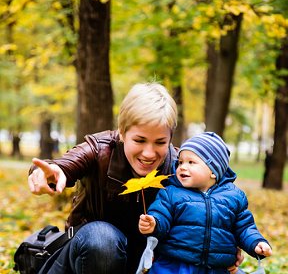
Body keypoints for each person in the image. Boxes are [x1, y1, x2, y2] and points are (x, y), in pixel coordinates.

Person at [28, 83, 243, 274]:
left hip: (150, 264)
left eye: (160, 142)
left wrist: (226, 245)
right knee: (102, 239)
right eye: (139, 140)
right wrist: (49, 173)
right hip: (92, 257)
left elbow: (213, 206)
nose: (149, 153)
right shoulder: (100, 150)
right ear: (122, 132)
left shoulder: (181, 168)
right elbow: (65, 164)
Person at [139, 132, 272, 274]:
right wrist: (154, 223)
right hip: (177, 265)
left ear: (213, 171)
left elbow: (245, 227)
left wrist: (257, 243)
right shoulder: (171, 193)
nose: (182, 167)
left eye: (191, 162)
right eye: (180, 162)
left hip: (217, 268)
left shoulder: (234, 197)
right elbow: (161, 213)